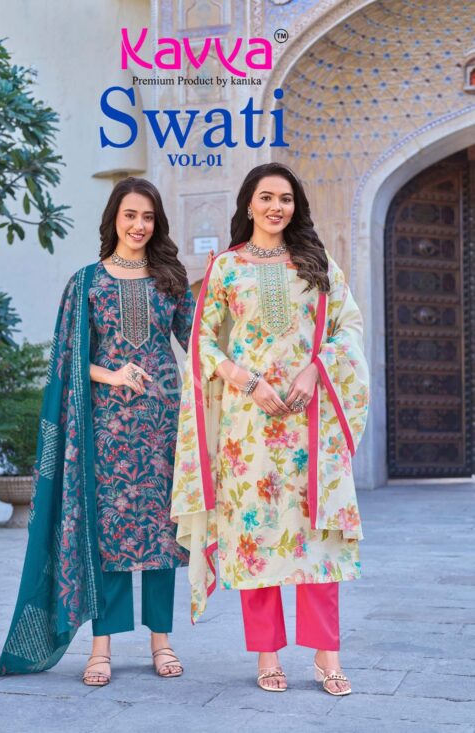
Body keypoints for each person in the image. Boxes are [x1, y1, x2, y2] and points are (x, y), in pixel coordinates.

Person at [171, 162, 369, 694]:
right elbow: (201, 341)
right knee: (255, 537)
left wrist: (315, 369)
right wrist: (245, 379)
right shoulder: (226, 267)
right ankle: (267, 657)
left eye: (285, 199)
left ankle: (327, 656)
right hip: (249, 427)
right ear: (249, 204)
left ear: (295, 206)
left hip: (312, 421)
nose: (276, 207)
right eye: (266, 197)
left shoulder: (317, 263)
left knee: (319, 539)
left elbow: (348, 326)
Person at [0, 177, 195, 686]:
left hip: (164, 426)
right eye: (130, 215)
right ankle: (101, 646)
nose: (139, 225)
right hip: (107, 428)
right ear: (113, 219)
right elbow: (68, 360)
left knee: (163, 535)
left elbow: (199, 344)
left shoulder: (170, 279)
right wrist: (114, 374)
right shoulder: (87, 282)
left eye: (148, 217)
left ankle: (162, 642)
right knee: (109, 534)